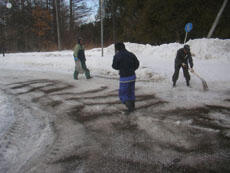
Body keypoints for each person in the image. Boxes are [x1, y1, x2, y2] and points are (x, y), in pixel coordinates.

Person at [112, 42, 139, 114]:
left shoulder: (117, 55)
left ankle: (129, 107)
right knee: (131, 91)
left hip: (124, 77)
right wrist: (132, 69)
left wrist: (121, 68)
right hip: (132, 76)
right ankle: (132, 105)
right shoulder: (131, 54)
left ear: (117, 48)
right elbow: (137, 64)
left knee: (123, 93)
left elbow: (114, 66)